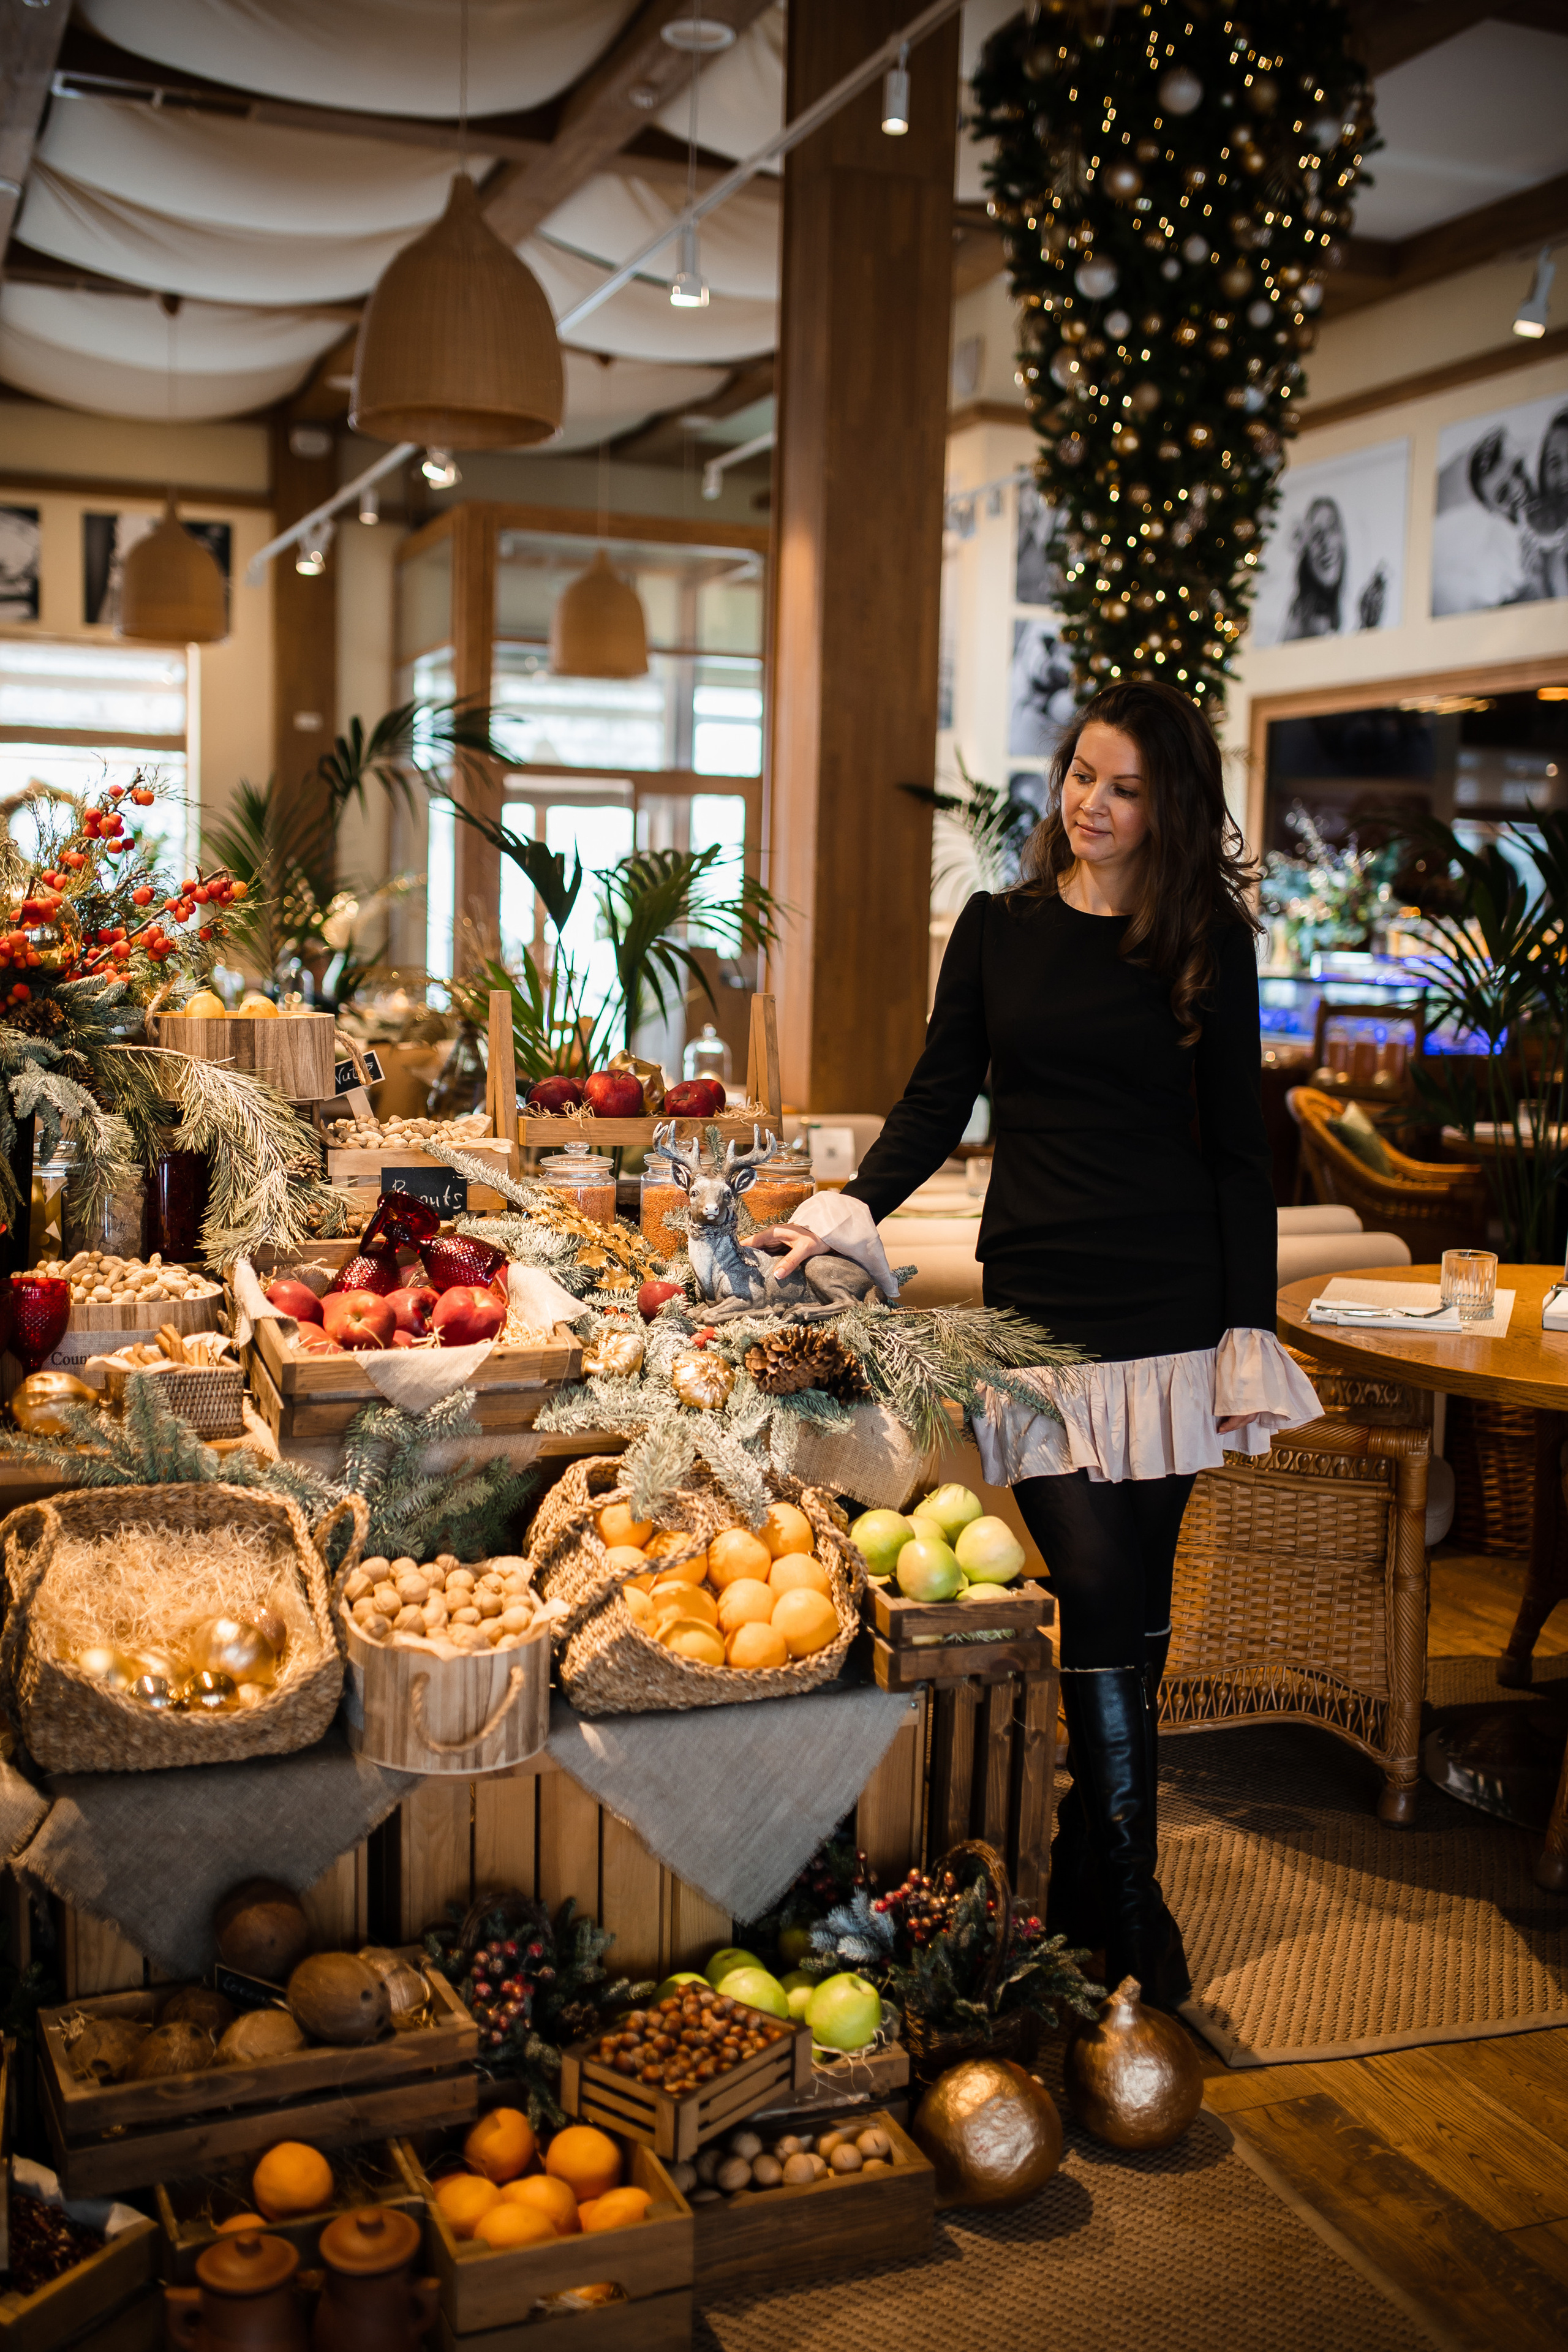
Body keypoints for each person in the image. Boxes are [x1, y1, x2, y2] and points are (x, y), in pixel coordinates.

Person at [764, 681, 1321, 2007]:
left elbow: (1240, 1160)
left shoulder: (1205, 941)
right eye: (1080, 774)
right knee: (1090, 1571)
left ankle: (1090, 1858)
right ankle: (1128, 1894)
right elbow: (933, 1097)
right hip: (1038, 1304)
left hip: (1173, 1305)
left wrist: (1246, 1326)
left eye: (1123, 787)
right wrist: (843, 1216)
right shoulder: (999, 931)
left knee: (1139, 1594)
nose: (1090, 805)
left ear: (1169, 805)